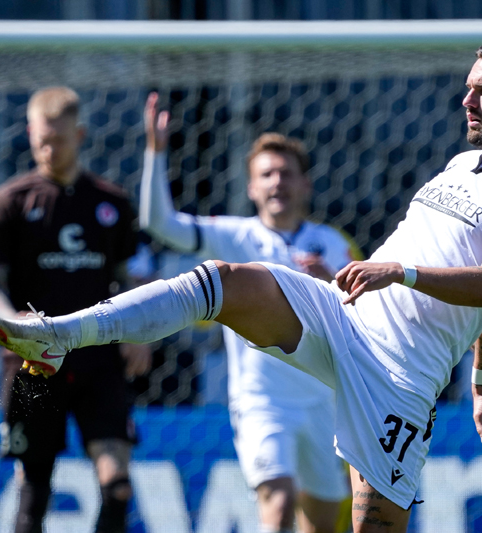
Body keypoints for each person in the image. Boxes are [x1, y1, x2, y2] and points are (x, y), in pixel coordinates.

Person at [0, 36, 482, 533]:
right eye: (469, 86)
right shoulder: (463, 164)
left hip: (399, 378)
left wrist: (401, 273)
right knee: (223, 280)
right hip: (344, 315)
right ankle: (61, 334)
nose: (466, 99)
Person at [141, 94, 357, 533]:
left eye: (287, 173)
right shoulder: (234, 237)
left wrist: (333, 281)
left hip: (323, 401)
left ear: (306, 184)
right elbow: (160, 224)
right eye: (266, 174)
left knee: (323, 522)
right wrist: (155, 153)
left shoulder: (334, 243)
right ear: (251, 188)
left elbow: (364, 316)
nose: (277, 182)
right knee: (277, 501)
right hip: (263, 401)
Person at [0, 87, 150, 533]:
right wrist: (11, 321)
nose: (50, 150)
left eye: (59, 140)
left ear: (81, 135)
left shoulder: (112, 202)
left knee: (118, 487)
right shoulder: (10, 201)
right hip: (33, 360)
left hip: (99, 358)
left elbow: (134, 279)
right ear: (29, 135)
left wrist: (140, 332)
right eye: (42, 142)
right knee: (34, 493)